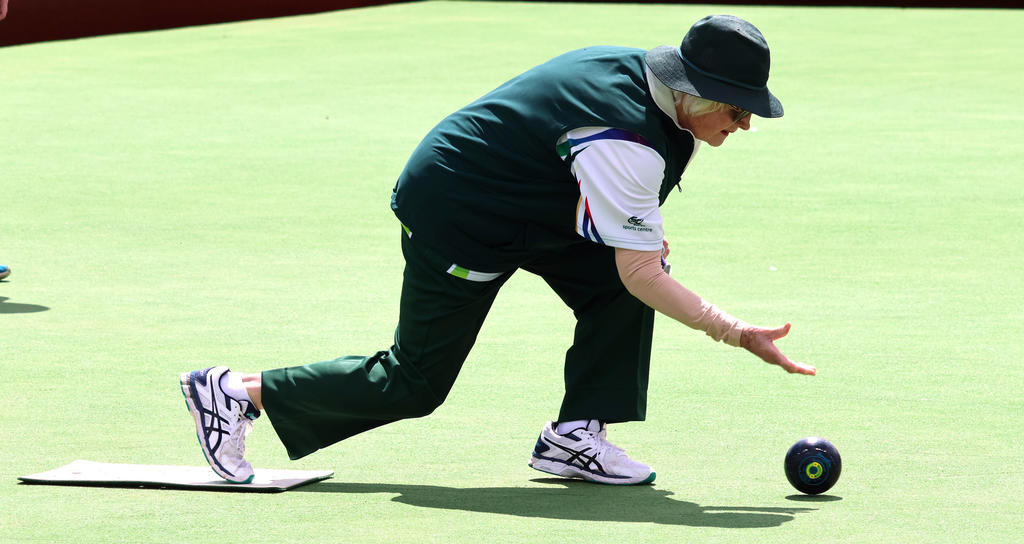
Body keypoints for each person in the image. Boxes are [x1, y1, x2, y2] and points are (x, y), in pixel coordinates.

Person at [181, 14, 816, 486]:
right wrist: (734, 332)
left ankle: (575, 436)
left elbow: (586, 188)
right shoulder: (624, 135)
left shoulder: (646, 85)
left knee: (615, 283)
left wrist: (630, 232)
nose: (745, 125)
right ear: (694, 92)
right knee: (416, 381)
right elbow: (642, 270)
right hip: (461, 212)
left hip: (530, 205)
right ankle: (238, 391)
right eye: (737, 111)